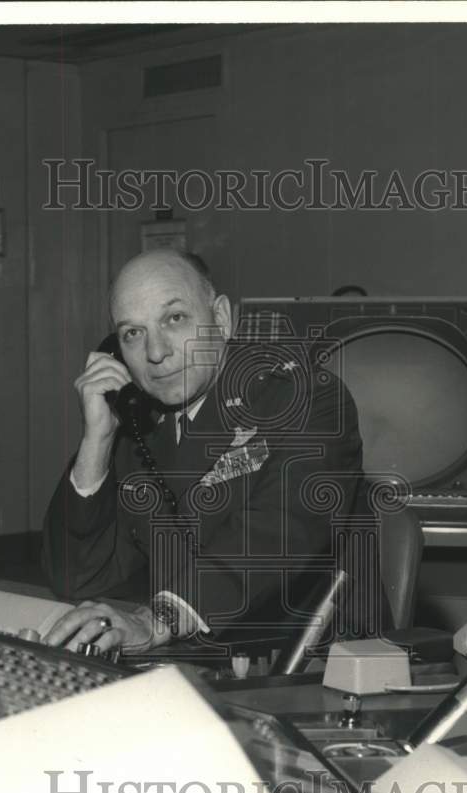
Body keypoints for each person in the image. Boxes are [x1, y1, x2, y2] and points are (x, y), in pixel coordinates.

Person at [41, 248, 365, 654]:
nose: (156, 353)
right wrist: (98, 441)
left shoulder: (305, 399)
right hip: (192, 657)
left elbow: (274, 535)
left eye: (174, 319)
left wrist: (155, 620)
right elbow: (78, 580)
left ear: (222, 319)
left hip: (309, 664)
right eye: (132, 333)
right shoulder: (142, 425)